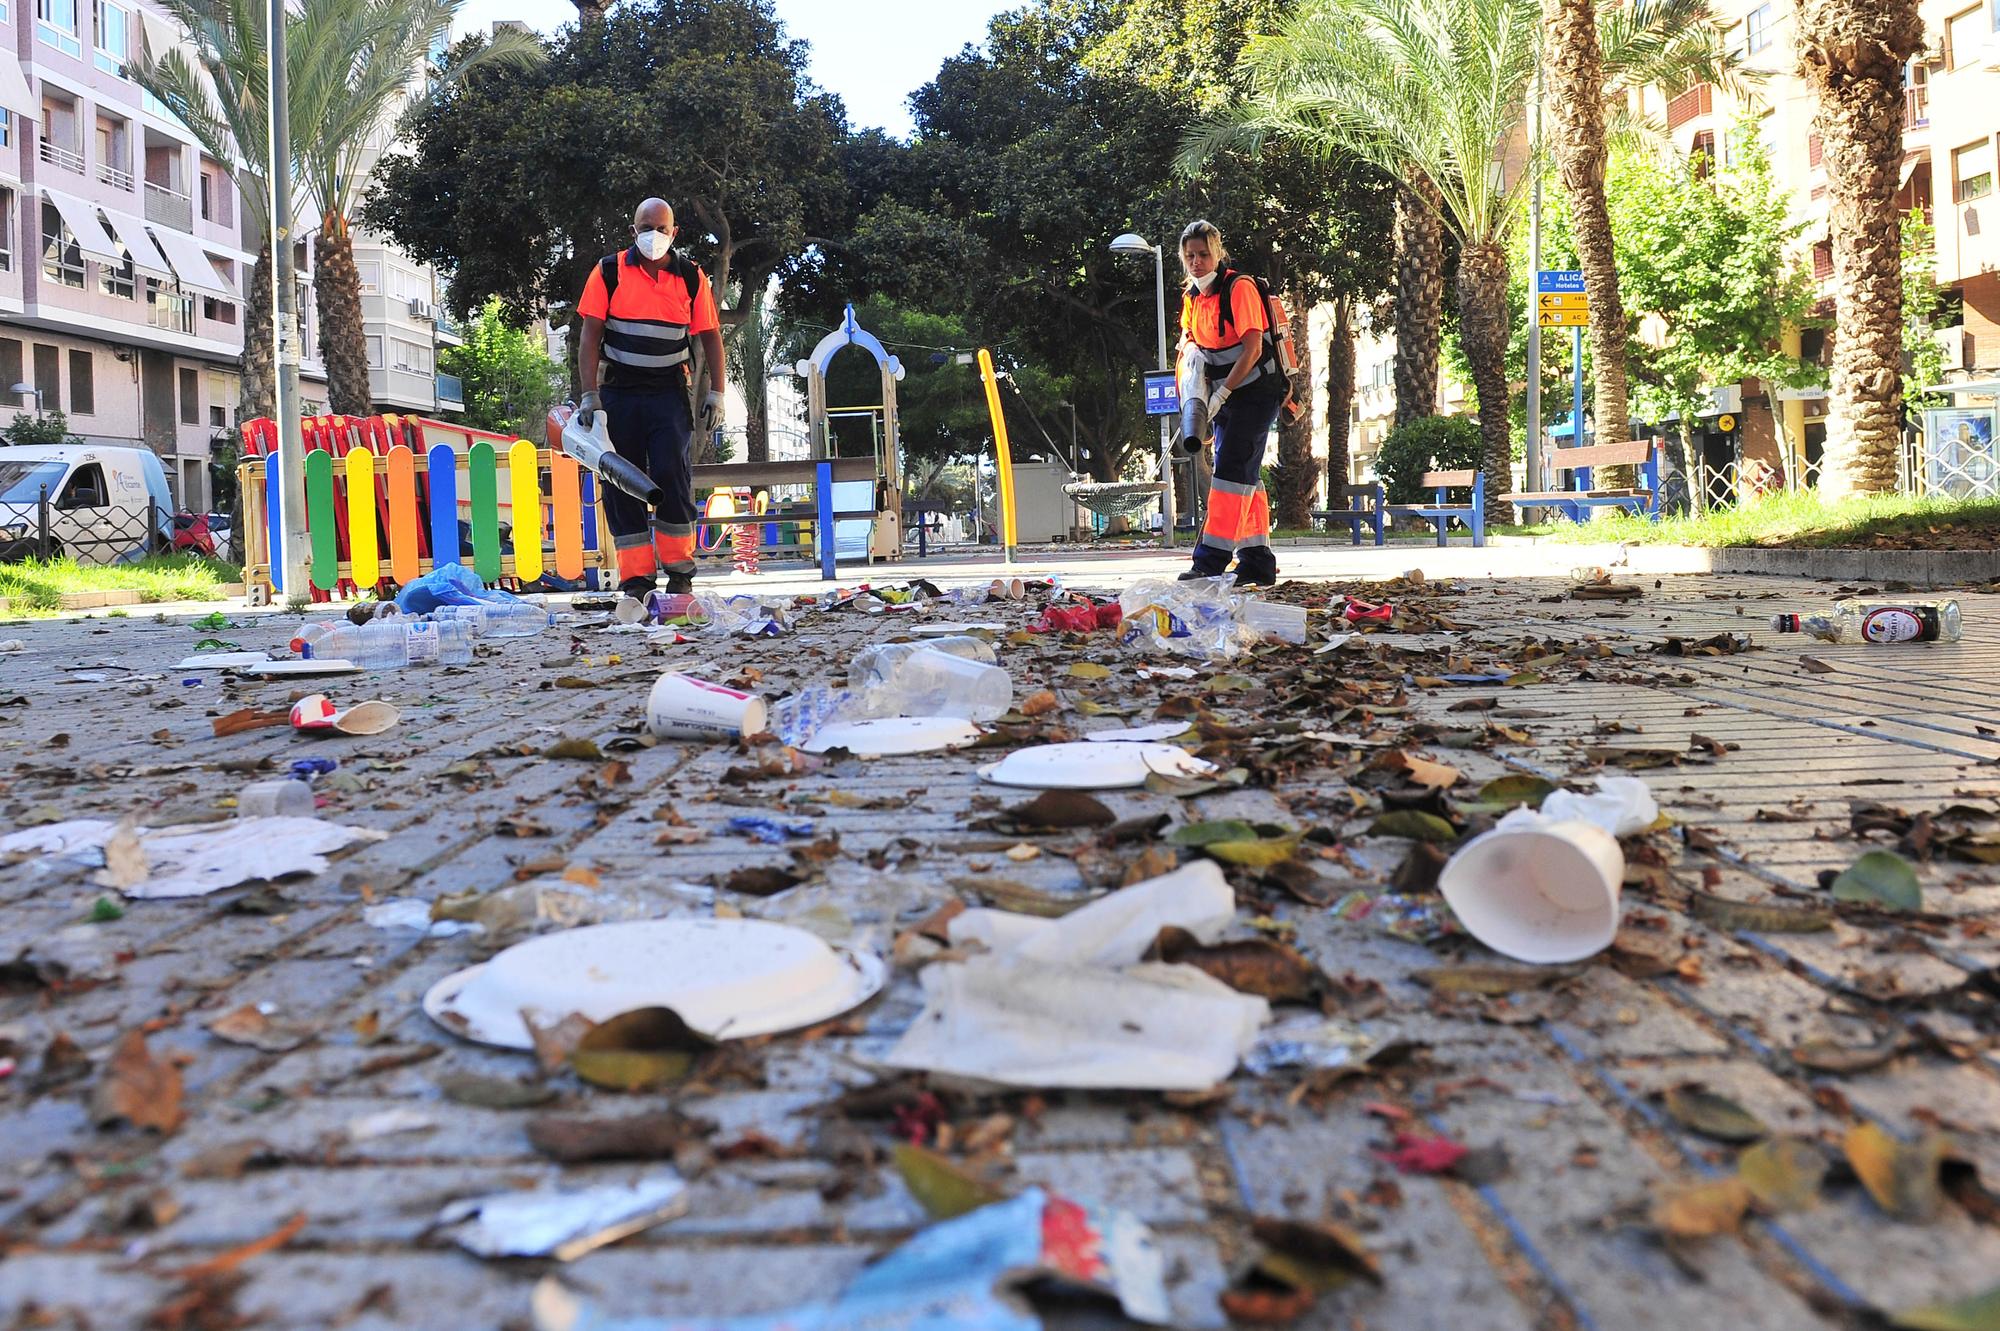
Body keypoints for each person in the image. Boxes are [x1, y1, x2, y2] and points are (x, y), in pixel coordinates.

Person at [574, 198, 727, 596]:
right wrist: (590, 394)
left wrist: (717, 393)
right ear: (633, 231)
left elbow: (710, 335)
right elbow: (590, 336)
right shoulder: (608, 271)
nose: (653, 236)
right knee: (621, 482)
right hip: (620, 391)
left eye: (661, 228)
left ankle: (679, 574)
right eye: (646, 227)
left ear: (674, 233)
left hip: (668, 391)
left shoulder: (691, 277)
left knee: (671, 474)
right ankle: (637, 579)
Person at [1176, 219, 1281, 586]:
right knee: (1243, 476)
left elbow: (1252, 349)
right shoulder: (1192, 297)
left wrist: (1221, 395)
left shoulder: (1239, 288)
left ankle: (1209, 561)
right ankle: (1256, 561)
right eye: (1190, 256)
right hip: (1226, 397)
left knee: (1230, 475)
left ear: (1217, 253)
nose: (1196, 262)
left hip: (1255, 391)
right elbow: (1189, 341)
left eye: (1203, 254)